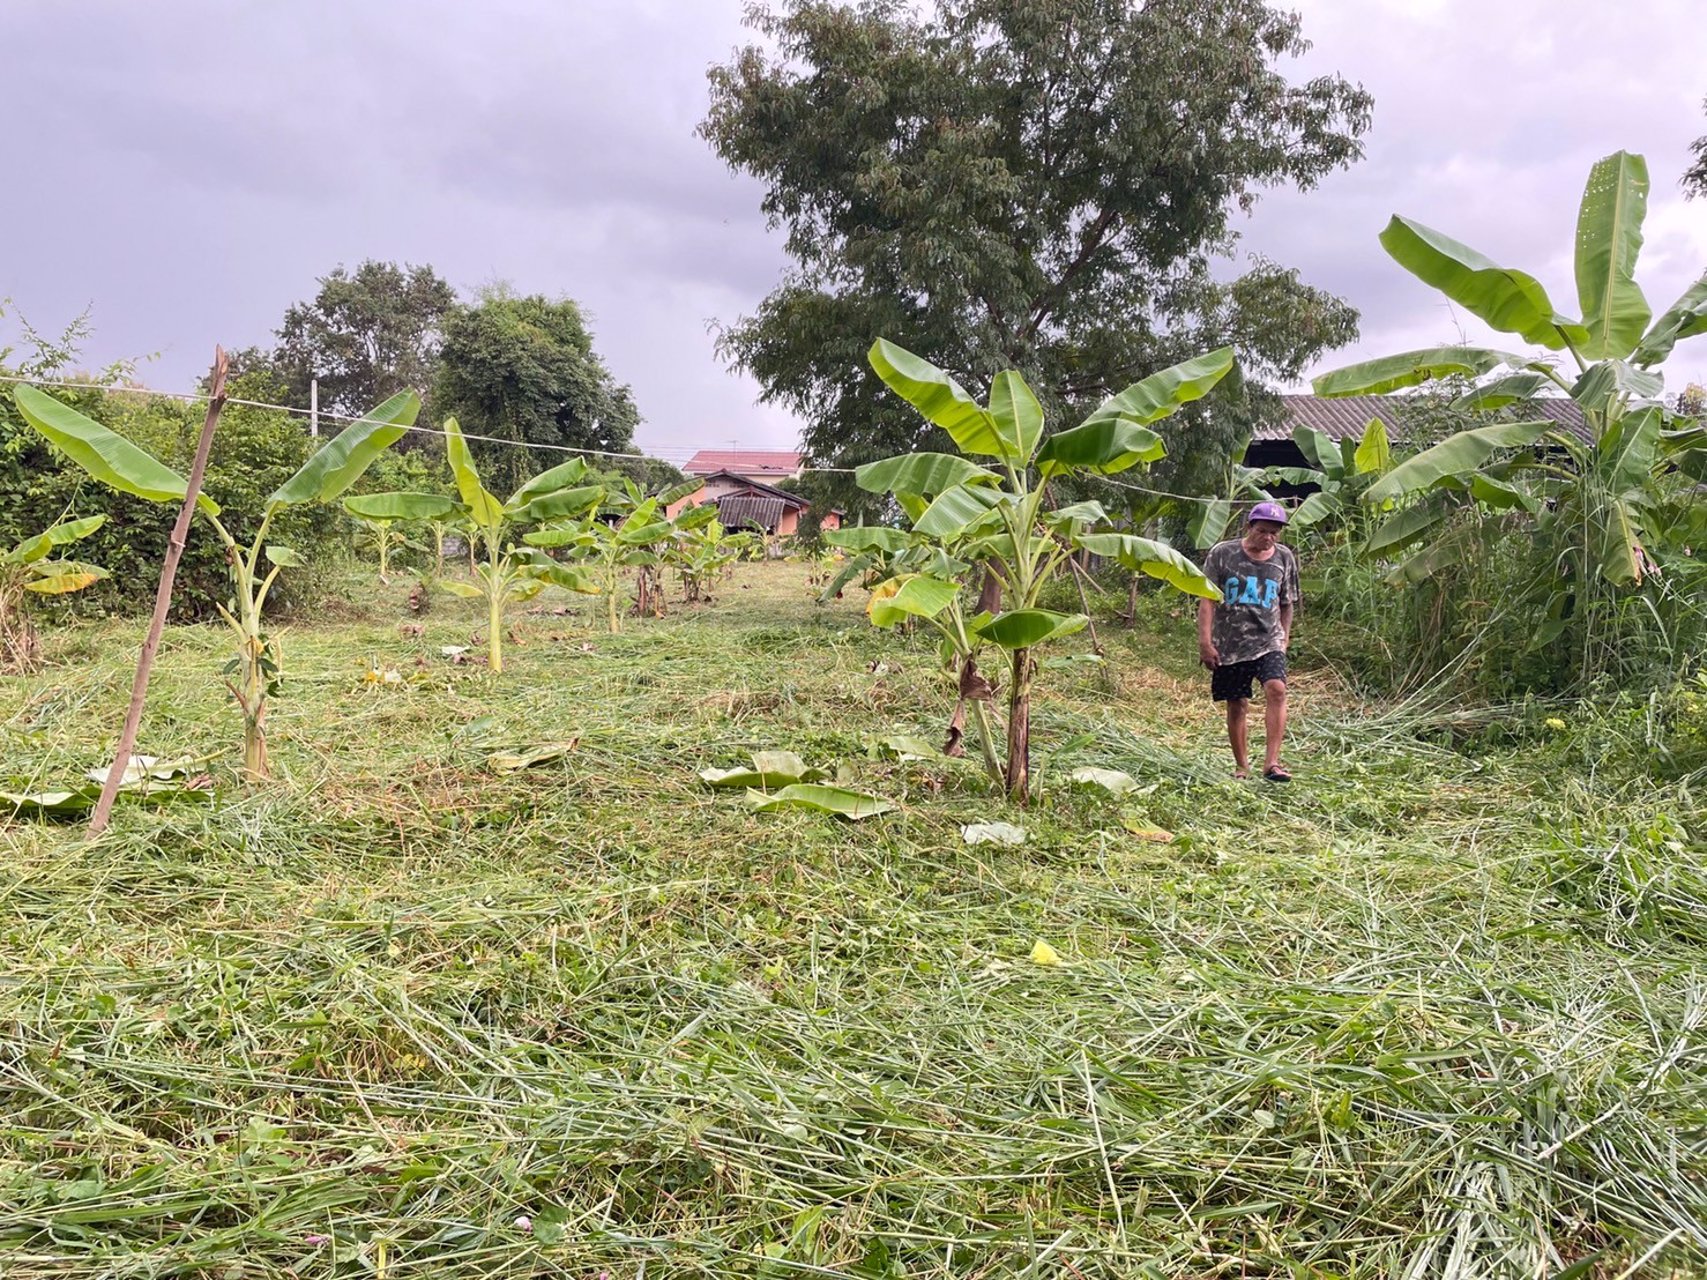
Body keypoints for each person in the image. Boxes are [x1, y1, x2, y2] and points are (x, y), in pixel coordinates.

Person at [1196, 501, 1299, 782]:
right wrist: (1205, 642)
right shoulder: (1222, 554)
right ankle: (1242, 767)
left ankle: (1272, 763)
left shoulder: (1284, 558)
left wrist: (1284, 639)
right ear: (1249, 527)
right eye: (1262, 531)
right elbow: (1207, 600)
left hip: (1269, 639)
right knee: (1237, 703)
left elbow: (1287, 603)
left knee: (1277, 689)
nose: (1268, 537)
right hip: (1229, 644)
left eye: (1274, 533)